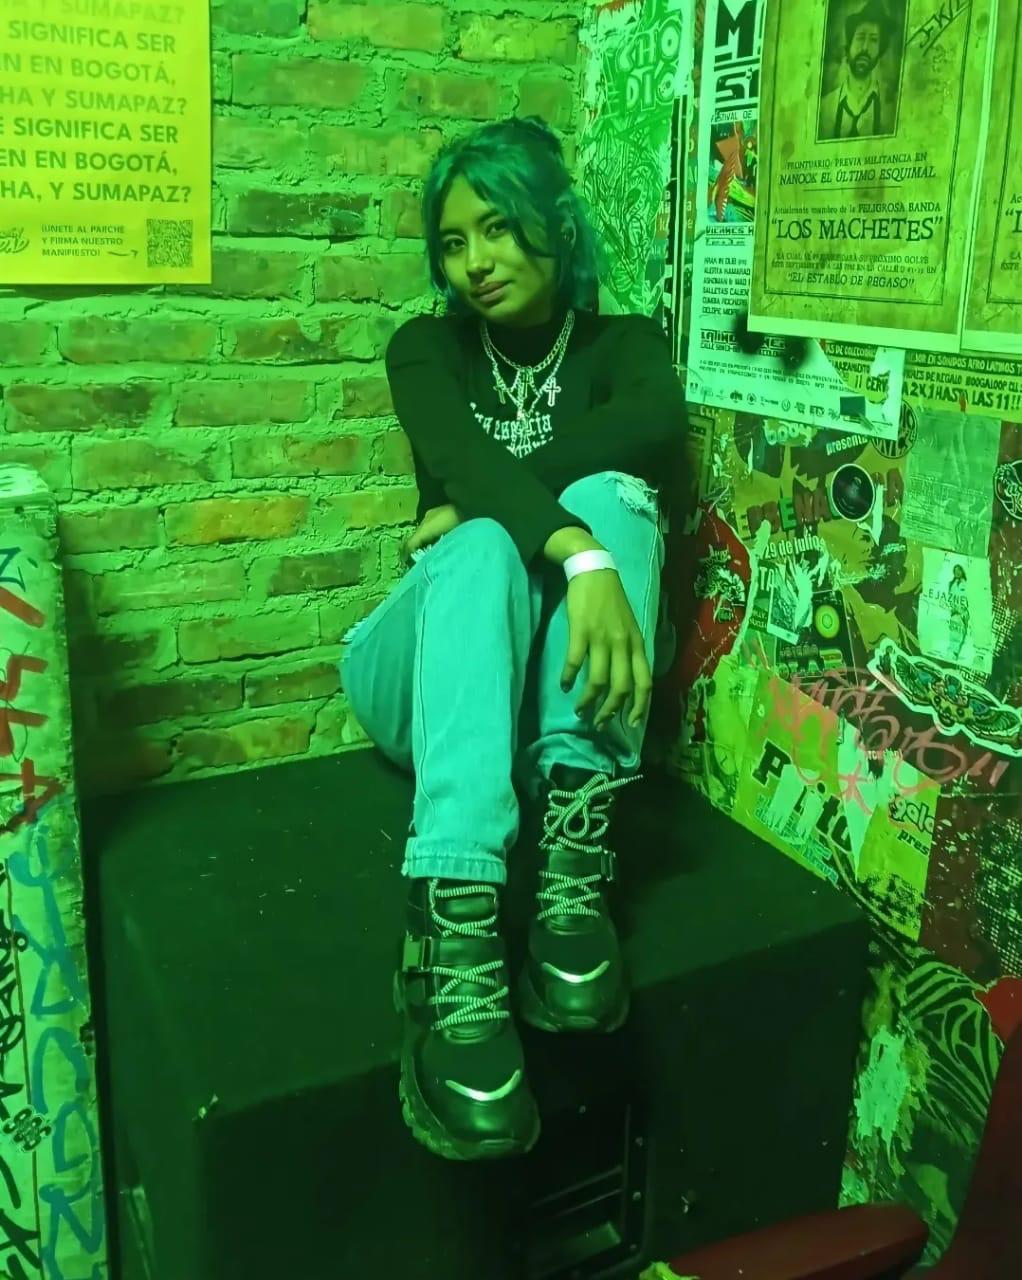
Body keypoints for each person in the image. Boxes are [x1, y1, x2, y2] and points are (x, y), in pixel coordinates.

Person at [338, 116, 687, 1162]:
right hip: (421, 675)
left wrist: (525, 507)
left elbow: (647, 427)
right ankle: (451, 919)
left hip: (544, 694)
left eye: (497, 228)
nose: (474, 262)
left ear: (556, 225)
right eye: (453, 242)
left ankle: (572, 867)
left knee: (618, 496)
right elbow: (456, 454)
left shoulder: (626, 348)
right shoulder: (425, 348)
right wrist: (572, 552)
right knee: (491, 543)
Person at [818, 0, 899, 141]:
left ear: (880, 49)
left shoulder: (891, 109)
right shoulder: (825, 108)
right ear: (849, 45)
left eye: (874, 40)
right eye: (860, 38)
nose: (865, 48)